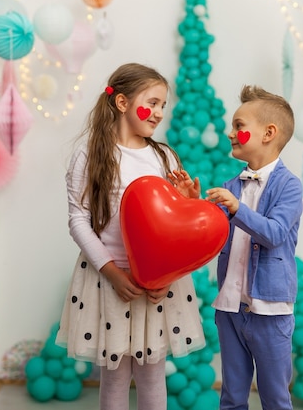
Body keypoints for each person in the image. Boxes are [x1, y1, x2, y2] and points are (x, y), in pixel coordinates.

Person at [55, 62, 206, 410]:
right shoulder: (90, 154)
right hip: (108, 280)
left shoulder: (163, 156)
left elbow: (175, 227)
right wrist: (111, 271)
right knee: (116, 374)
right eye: (152, 102)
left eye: (163, 106)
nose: (158, 113)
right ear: (122, 102)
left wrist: (187, 202)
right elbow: (78, 219)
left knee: (153, 374)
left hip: (157, 284)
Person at [205, 85, 303, 410]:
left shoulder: (289, 186)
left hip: (269, 311)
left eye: (239, 126)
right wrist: (193, 201)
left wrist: (236, 209)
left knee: (275, 397)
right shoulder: (232, 186)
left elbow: (274, 233)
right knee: (232, 396)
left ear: (268, 133)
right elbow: (206, 232)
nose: (230, 133)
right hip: (230, 307)